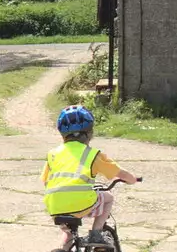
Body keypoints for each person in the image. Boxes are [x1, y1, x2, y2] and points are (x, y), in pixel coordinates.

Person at [42, 104, 139, 243]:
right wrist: (133, 180)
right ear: (89, 133)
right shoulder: (92, 155)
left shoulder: (52, 154)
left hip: (54, 205)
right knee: (108, 198)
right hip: (81, 203)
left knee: (69, 234)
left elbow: (45, 180)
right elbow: (120, 173)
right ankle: (96, 233)